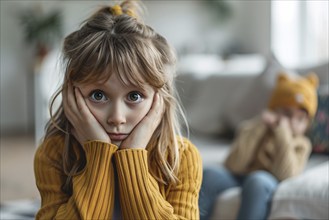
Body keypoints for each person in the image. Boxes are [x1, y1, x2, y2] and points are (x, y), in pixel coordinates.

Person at [34, 1, 202, 219]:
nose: (117, 118)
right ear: (71, 95)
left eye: (134, 96)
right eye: (98, 95)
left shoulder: (181, 157)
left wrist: (133, 155)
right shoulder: (54, 153)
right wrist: (99, 153)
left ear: (159, 99)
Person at [199, 72, 319, 220]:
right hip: (240, 176)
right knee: (209, 174)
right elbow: (233, 165)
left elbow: (286, 176)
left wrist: (283, 135)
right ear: (274, 111)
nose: (293, 122)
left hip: (268, 180)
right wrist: (259, 129)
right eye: (287, 114)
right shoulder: (253, 128)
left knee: (257, 180)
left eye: (301, 119)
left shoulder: (302, 144)